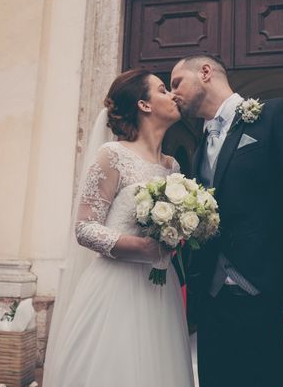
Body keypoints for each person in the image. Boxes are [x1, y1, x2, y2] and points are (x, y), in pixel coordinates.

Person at [170, 54, 283, 387]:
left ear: (205, 72)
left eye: (177, 83)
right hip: (217, 310)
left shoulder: (277, 115)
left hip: (278, 304)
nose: (172, 93)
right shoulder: (201, 146)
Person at [43, 69, 194, 387]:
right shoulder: (112, 156)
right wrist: (140, 247)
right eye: (163, 89)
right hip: (116, 289)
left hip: (160, 290)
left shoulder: (172, 167)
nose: (172, 95)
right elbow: (84, 228)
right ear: (144, 104)